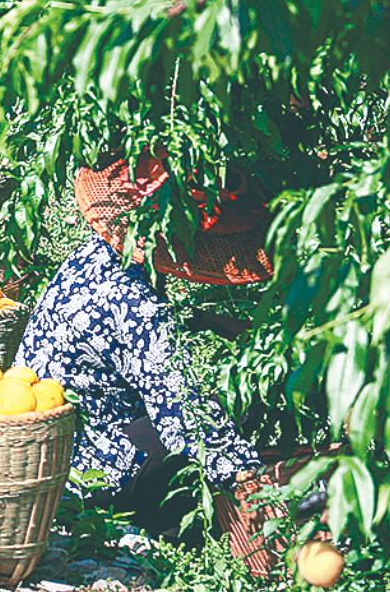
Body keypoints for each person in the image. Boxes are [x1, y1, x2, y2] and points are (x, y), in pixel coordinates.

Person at [16, 158, 286, 574]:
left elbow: (126, 346)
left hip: (48, 447)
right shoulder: (134, 303)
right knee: (219, 415)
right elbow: (183, 411)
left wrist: (208, 322)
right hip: (85, 465)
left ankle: (173, 518)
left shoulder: (98, 256)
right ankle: (180, 528)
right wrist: (251, 481)